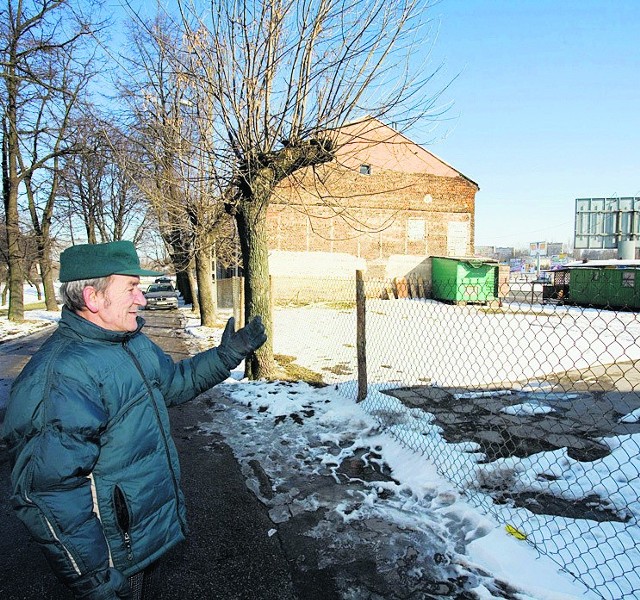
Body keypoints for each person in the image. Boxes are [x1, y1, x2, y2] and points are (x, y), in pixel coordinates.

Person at [1, 240, 267, 600]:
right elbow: (49, 494)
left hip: (145, 535)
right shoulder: (62, 377)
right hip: (116, 559)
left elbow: (174, 384)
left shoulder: (129, 342)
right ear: (94, 298)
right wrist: (96, 582)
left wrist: (227, 355)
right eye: (131, 287)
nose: (141, 299)